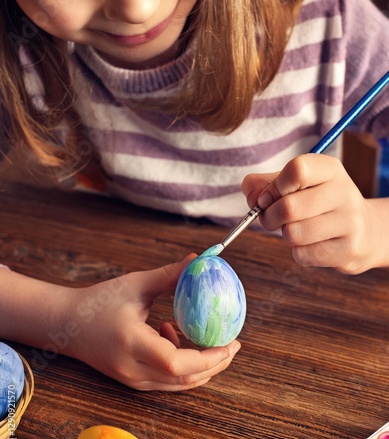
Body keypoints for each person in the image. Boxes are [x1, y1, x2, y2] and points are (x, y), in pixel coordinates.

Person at [0, 0, 388, 390]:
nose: (137, 9)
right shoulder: (20, 49)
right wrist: (65, 320)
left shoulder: (330, 25)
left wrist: (375, 229)